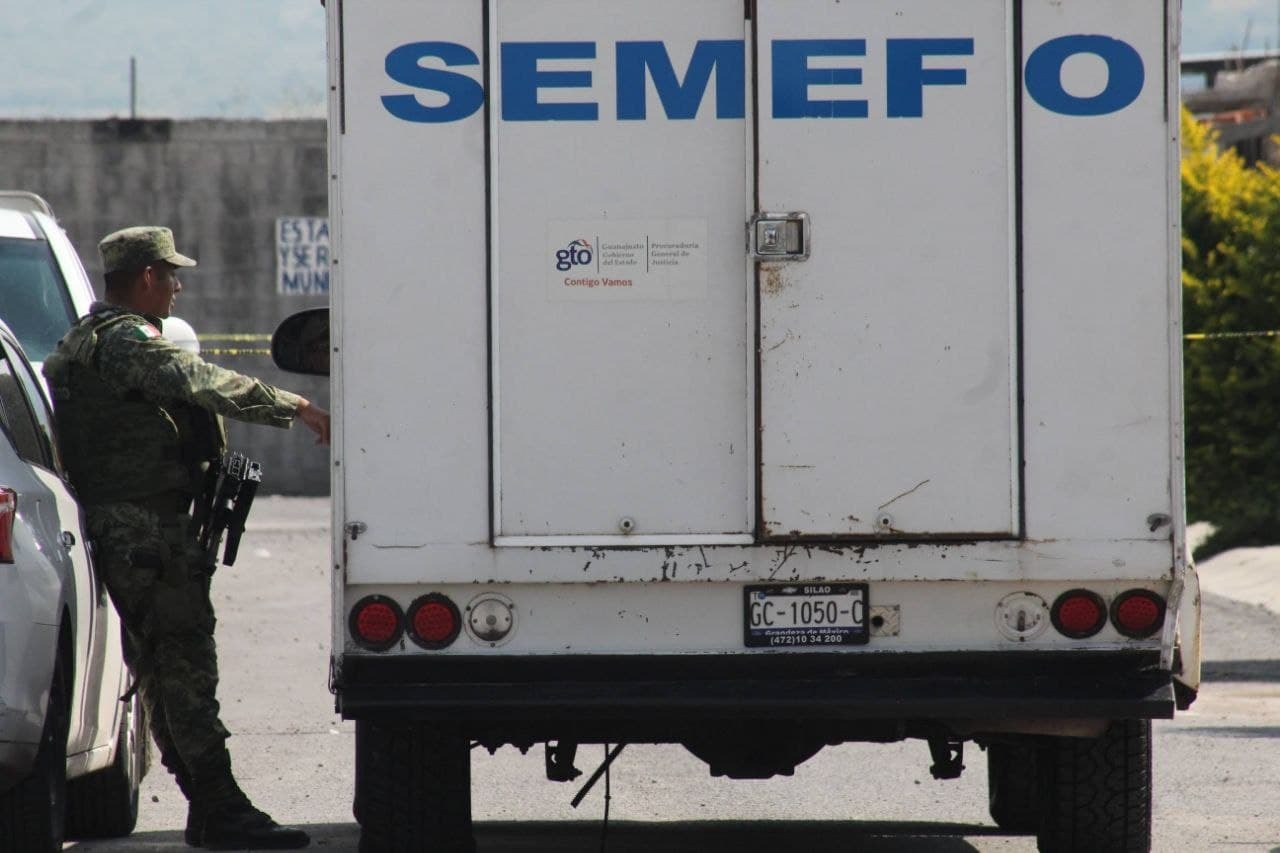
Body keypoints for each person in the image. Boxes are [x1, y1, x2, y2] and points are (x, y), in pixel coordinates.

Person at [42, 226, 329, 850]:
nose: (177, 287)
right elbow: (201, 381)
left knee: (160, 668)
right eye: (170, 275)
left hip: (132, 529)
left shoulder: (79, 342)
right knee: (185, 668)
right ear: (145, 278)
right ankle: (222, 806)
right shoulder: (126, 343)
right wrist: (297, 406)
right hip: (149, 531)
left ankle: (208, 803)